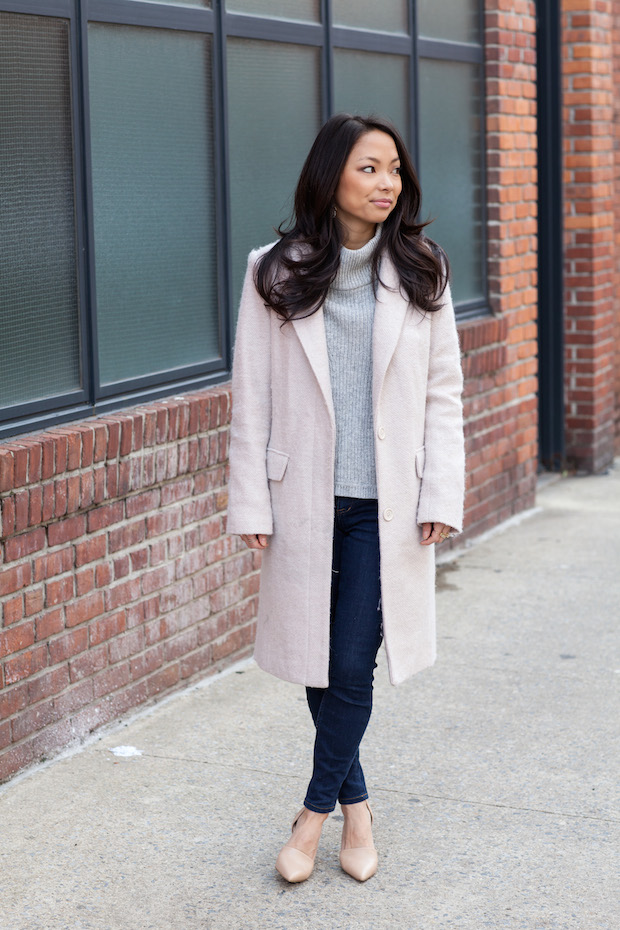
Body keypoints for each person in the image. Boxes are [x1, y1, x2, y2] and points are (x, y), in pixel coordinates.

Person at [226, 113, 465, 883]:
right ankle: (358, 808)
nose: (386, 182)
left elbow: (442, 395)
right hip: (303, 499)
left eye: (393, 168)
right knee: (317, 664)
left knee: (353, 666)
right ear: (331, 176)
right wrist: (250, 503)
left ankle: (311, 819)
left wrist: (441, 490)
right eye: (369, 168)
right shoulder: (274, 270)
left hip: (386, 504)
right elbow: (251, 396)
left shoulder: (424, 269)